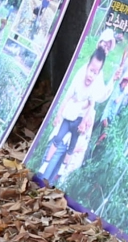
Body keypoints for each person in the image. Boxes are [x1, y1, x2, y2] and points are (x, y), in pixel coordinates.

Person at [39, 33, 116, 187]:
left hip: (81, 122)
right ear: (98, 42)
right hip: (70, 115)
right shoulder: (85, 68)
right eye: (104, 43)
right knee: (57, 146)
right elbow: (71, 94)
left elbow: (98, 97)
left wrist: (113, 81)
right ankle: (42, 177)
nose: (105, 48)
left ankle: (51, 180)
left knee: (69, 152)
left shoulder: (98, 75)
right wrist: (68, 110)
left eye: (108, 46)